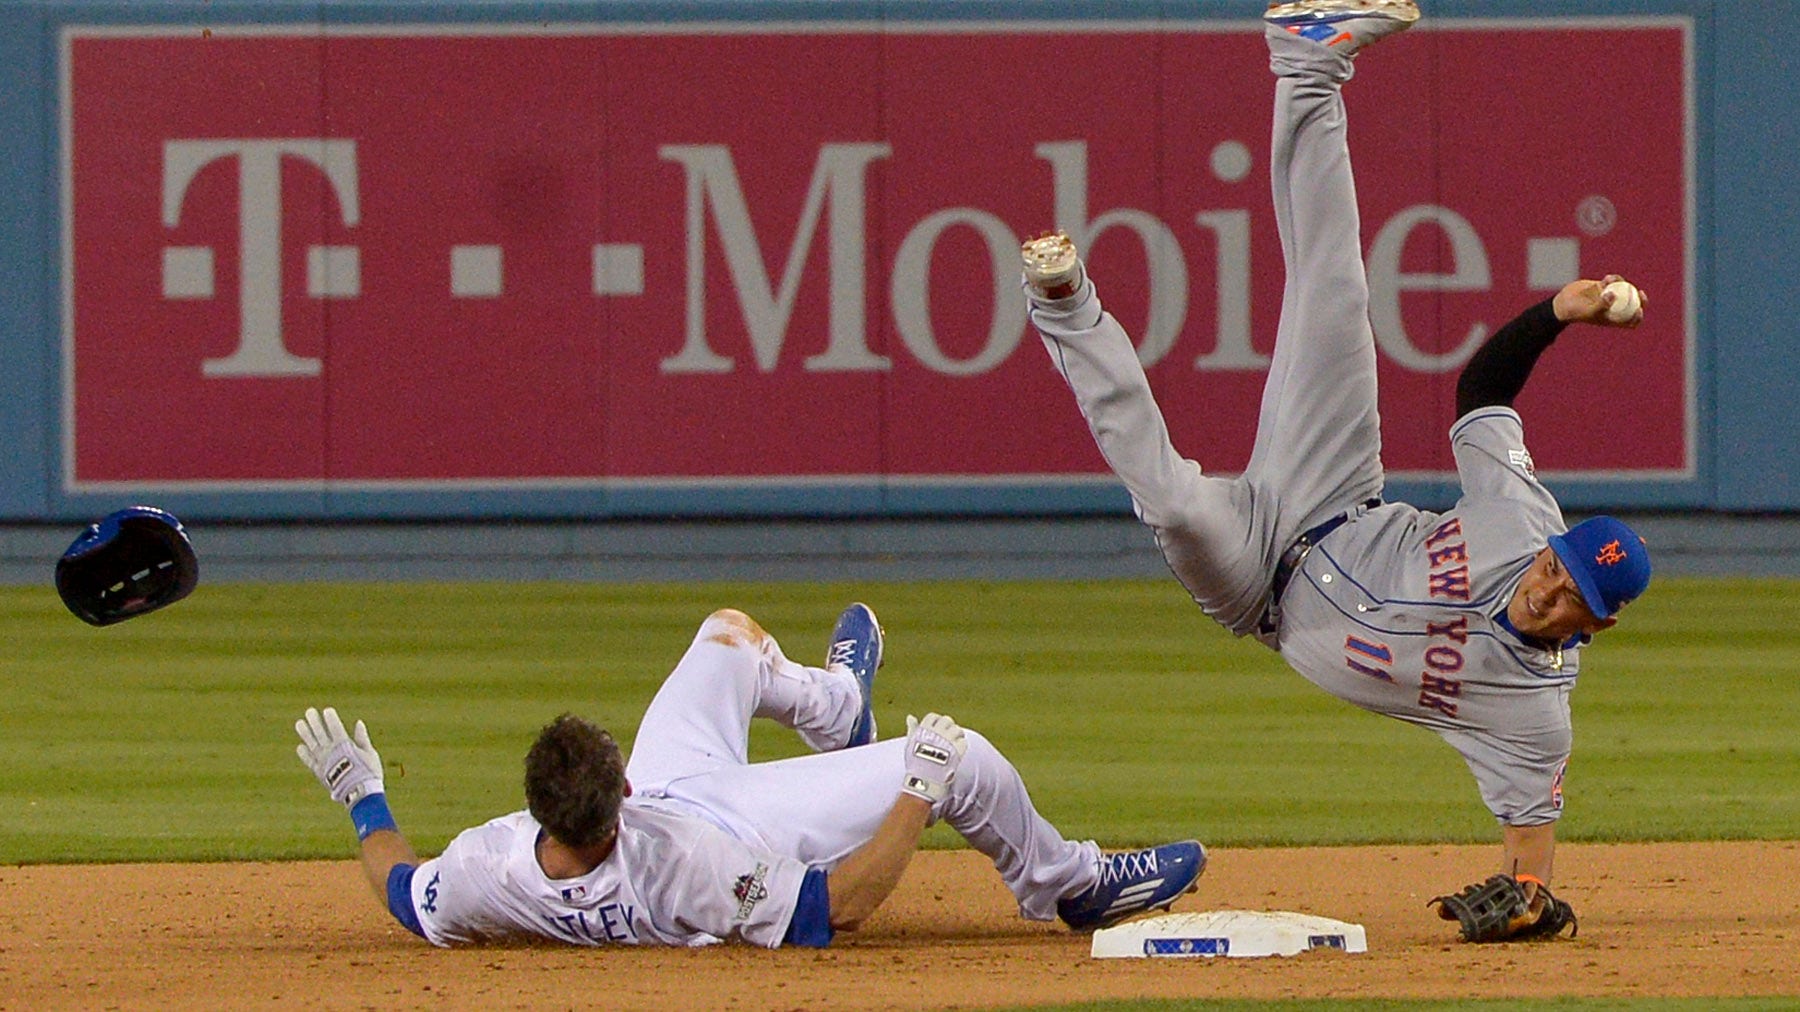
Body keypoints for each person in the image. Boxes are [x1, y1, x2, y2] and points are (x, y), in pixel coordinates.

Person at [1020, 0, 1650, 938]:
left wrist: (1532, 906)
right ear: (1556, 547)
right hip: (1336, 490)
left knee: (1179, 507)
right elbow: (1483, 392)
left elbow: (1529, 855)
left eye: (1573, 606)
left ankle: (1067, 308)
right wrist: (1555, 311)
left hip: (1255, 588)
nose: (1551, 594)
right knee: (1336, 288)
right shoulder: (1523, 523)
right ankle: (1307, 60)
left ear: (1593, 630)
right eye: (1560, 571)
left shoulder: (1531, 713)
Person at [295, 603, 1205, 947]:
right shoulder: (690, 864)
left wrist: (361, 795)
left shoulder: (491, 868)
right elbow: (833, 908)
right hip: (736, 823)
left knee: (726, 638)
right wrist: (917, 791)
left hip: (673, 798)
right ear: (613, 798)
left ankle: (837, 708)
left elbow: (401, 890)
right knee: (967, 757)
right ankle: (1069, 885)